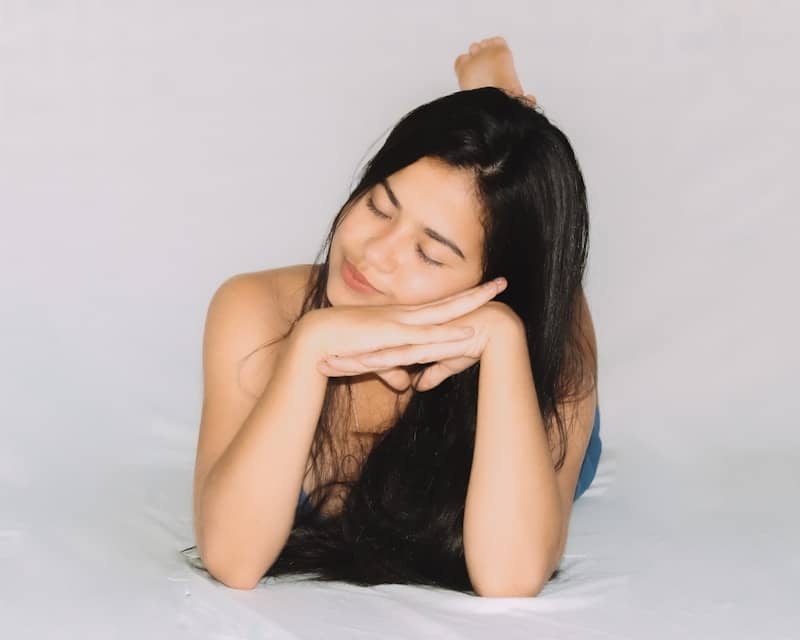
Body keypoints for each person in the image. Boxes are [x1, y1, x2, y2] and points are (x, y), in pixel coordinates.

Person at [182, 36, 601, 597]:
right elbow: (234, 559)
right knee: (494, 174)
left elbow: (510, 578)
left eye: (430, 252)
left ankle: (504, 102)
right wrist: (310, 347)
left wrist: (501, 338)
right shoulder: (255, 312)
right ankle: (497, 109)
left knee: (548, 258)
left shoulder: (552, 352)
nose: (373, 254)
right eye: (379, 204)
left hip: (529, 334)